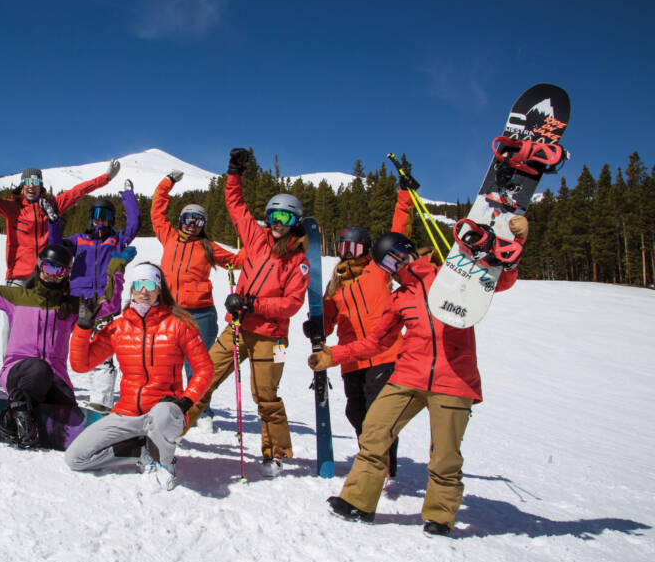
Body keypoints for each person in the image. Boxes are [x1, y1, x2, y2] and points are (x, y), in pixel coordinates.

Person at [309, 219, 529, 536]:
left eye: (398, 253)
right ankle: (358, 502)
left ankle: (440, 516)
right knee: (374, 430)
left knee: (444, 455)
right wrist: (334, 355)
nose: (395, 263)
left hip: (454, 381)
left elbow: (500, 280)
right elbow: (374, 342)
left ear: (409, 250)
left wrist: (512, 248)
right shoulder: (399, 298)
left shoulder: (451, 277)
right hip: (409, 377)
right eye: (387, 260)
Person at [184, 149, 310, 478]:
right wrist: (234, 173)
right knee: (203, 377)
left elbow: (293, 303)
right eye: (274, 216)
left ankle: (276, 452)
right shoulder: (255, 237)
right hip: (238, 328)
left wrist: (254, 304)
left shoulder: (299, 260)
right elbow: (235, 204)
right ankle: (171, 431)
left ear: (295, 222)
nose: (278, 224)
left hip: (273, 336)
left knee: (265, 395)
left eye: (286, 219)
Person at [0, 225, 129, 448]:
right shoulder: (18, 296)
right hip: (19, 371)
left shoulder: (71, 306)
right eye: (49, 268)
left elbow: (110, 305)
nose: (53, 275)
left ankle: (31, 412)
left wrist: (116, 267)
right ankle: (14, 417)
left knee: (69, 410)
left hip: (55, 376)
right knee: (39, 369)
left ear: (68, 273)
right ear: (39, 267)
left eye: (60, 271)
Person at [65, 263, 214, 490]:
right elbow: (81, 364)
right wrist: (83, 328)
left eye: (150, 284)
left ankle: (163, 464)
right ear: (132, 289)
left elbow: (204, 369)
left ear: (159, 289)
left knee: (163, 415)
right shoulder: (119, 328)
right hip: (127, 413)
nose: (144, 291)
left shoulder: (178, 325)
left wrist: (186, 402)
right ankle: (141, 450)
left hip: (165, 411)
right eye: (139, 285)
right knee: (76, 458)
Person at [320, 183, 413, 476]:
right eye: (344, 248)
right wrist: (316, 327)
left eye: (354, 248)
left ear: (367, 248)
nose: (348, 254)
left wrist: (404, 197)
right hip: (351, 358)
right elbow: (327, 320)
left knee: (378, 414)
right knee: (355, 411)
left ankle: (381, 466)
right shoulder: (335, 284)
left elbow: (400, 233)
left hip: (386, 353)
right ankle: (371, 453)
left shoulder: (379, 269)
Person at [151, 169, 243, 431]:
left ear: (203, 224)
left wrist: (256, 246)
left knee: (197, 363)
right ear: (181, 220)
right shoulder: (168, 236)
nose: (192, 224)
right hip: (168, 311)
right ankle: (165, 404)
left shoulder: (208, 247)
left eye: (198, 221)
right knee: (166, 360)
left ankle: (200, 411)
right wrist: (167, 183)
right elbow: (156, 211)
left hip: (201, 313)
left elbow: (237, 261)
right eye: (188, 218)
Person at [46, 180, 140, 414]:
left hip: (102, 305)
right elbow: (56, 246)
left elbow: (134, 224)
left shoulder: (116, 241)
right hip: (74, 302)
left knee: (100, 352)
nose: (100, 220)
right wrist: (53, 223)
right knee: (58, 347)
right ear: (90, 218)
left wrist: (128, 195)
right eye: (96, 214)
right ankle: (50, 390)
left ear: (111, 219)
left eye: (105, 215)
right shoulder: (79, 240)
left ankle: (100, 401)